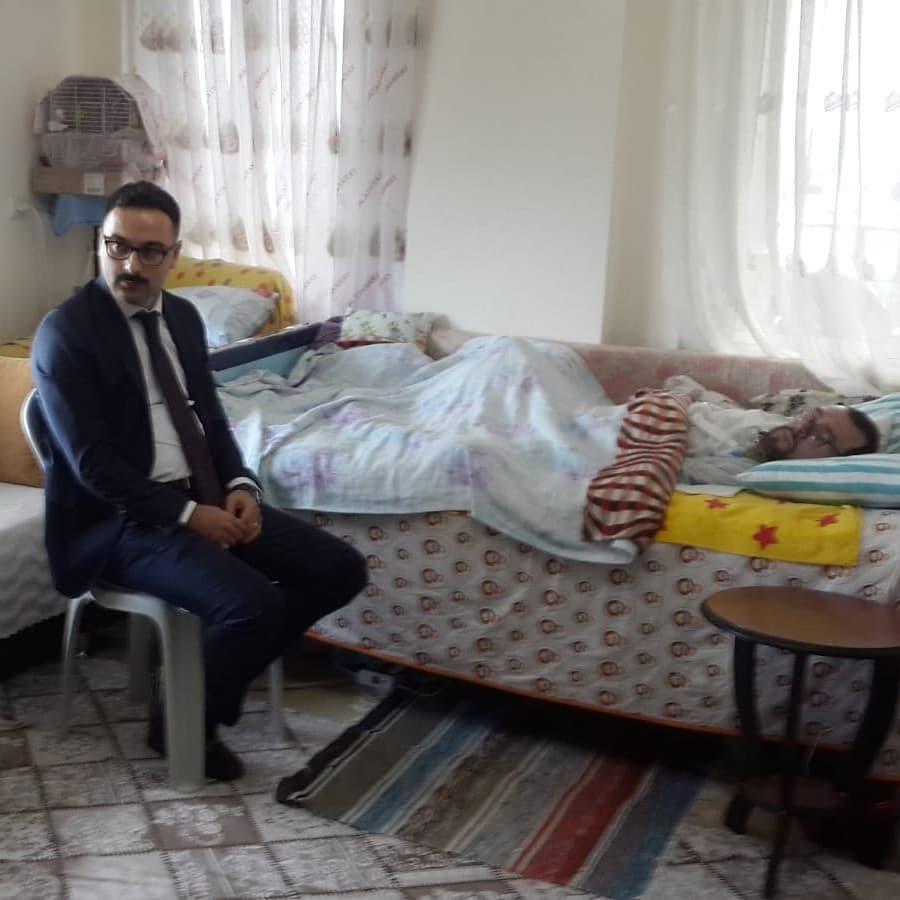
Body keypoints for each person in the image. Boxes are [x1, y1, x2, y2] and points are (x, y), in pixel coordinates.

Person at [31, 181, 368, 781]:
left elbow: (209, 418)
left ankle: (193, 692)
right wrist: (187, 517)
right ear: (101, 243)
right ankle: (188, 721)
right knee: (253, 606)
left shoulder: (182, 318)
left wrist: (240, 486)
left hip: (201, 494)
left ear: (174, 255)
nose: (130, 265)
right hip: (119, 523)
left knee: (338, 568)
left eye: (149, 252)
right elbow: (93, 466)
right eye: (117, 246)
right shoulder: (68, 333)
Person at [680, 400, 880, 485]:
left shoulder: (744, 478)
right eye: (810, 417)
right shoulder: (763, 421)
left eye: (819, 436)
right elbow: (696, 409)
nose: (801, 428)